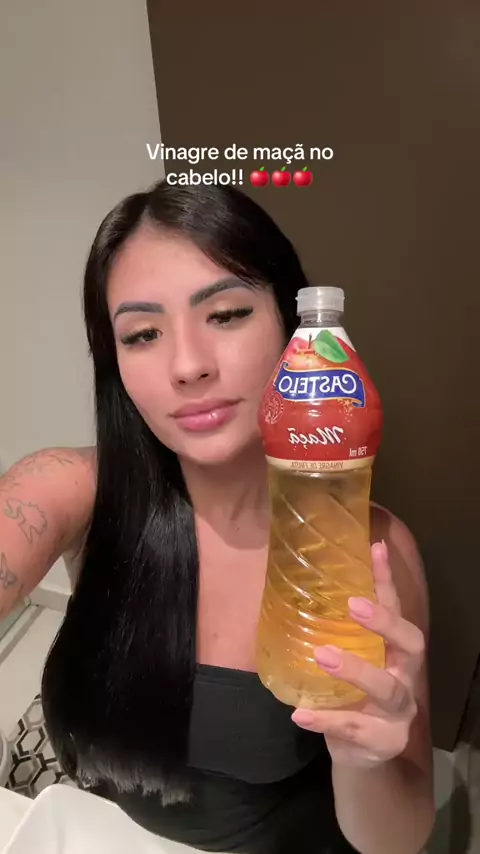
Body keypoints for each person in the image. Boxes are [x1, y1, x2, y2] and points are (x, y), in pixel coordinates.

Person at [0, 180, 435, 854]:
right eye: (143, 334)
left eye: (227, 315)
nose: (188, 366)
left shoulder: (369, 547)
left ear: (292, 327)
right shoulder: (72, 487)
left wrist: (363, 760)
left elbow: (398, 838)